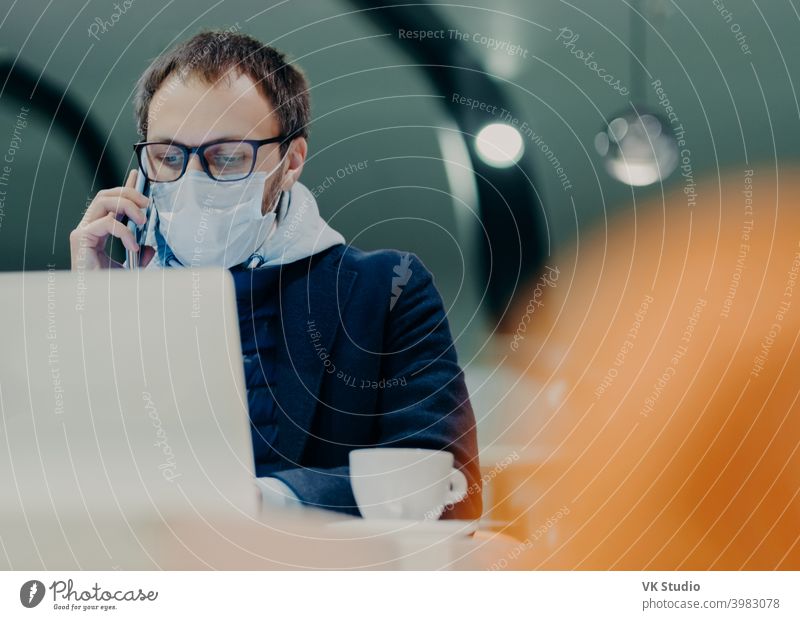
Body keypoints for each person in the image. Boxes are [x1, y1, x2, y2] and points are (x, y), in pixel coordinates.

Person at [68, 30, 481, 520]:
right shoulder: (121, 300)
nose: (193, 182)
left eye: (227, 157)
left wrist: (263, 505)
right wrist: (92, 316)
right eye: (168, 157)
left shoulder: (386, 290)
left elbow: (448, 483)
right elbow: (64, 487)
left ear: (291, 163)